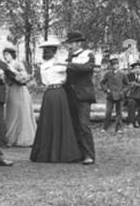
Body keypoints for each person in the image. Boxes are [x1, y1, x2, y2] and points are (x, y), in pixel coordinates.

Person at [30, 37, 81, 163]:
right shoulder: (43, 66)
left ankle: (62, 152)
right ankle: (47, 152)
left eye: (49, 50)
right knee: (48, 121)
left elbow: (66, 77)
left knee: (60, 120)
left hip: (59, 92)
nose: (46, 53)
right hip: (49, 93)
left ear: (54, 51)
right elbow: (44, 81)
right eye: (45, 51)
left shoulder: (61, 64)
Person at [63, 30, 97, 165]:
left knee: (84, 125)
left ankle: (89, 154)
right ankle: (78, 153)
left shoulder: (88, 54)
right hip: (69, 95)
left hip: (83, 95)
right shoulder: (68, 56)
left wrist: (68, 65)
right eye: (68, 44)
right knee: (74, 125)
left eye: (71, 43)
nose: (69, 46)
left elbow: (86, 68)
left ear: (78, 43)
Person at [1, 46, 37, 146]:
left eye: (7, 55)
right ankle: (11, 138)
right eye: (4, 55)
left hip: (20, 91)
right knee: (12, 113)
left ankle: (24, 138)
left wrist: (13, 71)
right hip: (11, 90)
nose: (5, 57)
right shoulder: (5, 65)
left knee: (21, 113)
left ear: (12, 55)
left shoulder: (17, 63)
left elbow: (24, 77)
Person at [99, 54, 128, 133]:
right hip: (110, 95)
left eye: (117, 64)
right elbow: (102, 83)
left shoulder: (122, 74)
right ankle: (105, 127)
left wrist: (123, 91)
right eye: (114, 64)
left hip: (120, 95)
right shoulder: (108, 74)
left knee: (119, 112)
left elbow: (127, 85)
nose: (116, 66)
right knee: (108, 112)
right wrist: (106, 90)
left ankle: (118, 128)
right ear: (111, 66)